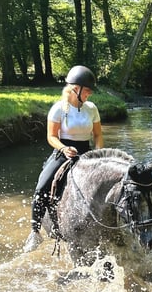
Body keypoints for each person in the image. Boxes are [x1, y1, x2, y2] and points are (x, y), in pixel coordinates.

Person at [23, 65, 104, 252]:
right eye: (88, 90)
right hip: (63, 151)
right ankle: (35, 232)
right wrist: (64, 148)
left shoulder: (91, 108)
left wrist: (99, 153)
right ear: (76, 88)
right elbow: (51, 137)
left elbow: (98, 135)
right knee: (41, 186)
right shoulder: (59, 109)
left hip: (87, 152)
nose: (90, 94)